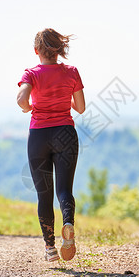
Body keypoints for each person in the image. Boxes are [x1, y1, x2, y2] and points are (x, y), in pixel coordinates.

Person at [17, 28, 86, 262]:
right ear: (59, 49)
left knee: (43, 195)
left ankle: (50, 249)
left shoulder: (32, 74)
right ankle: (68, 224)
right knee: (64, 190)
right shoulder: (72, 72)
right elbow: (81, 107)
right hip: (65, 133)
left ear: (37, 51)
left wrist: (29, 107)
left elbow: (21, 99)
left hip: (39, 136)